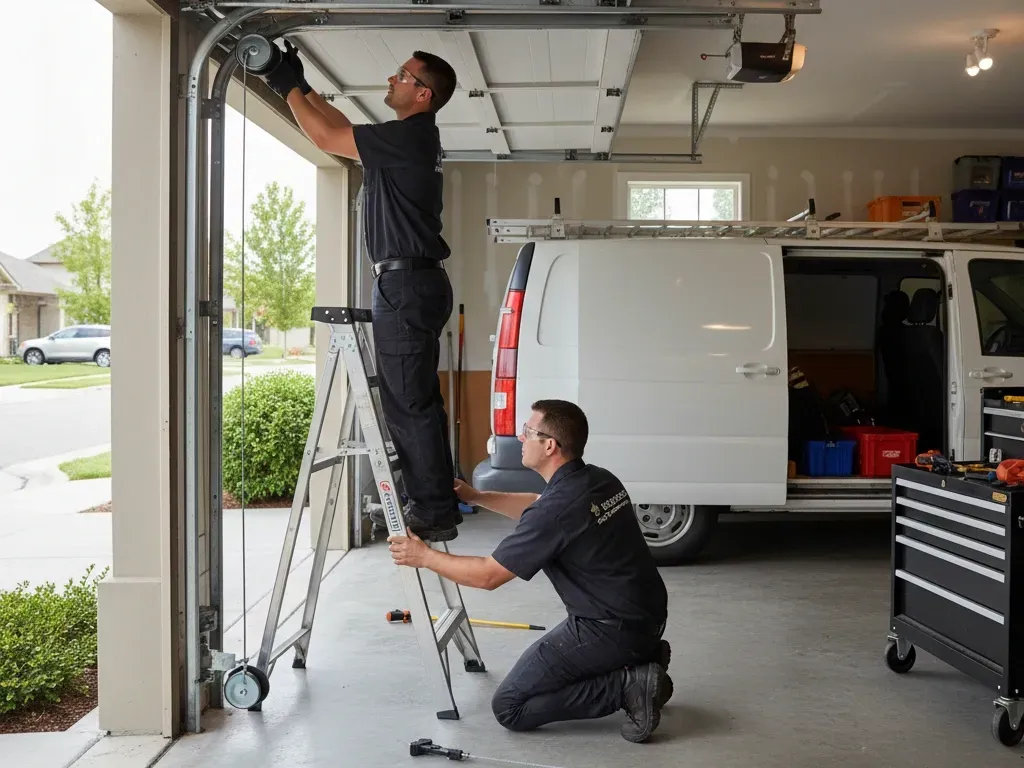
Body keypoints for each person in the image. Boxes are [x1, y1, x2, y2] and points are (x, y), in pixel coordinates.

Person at [260, 42, 463, 542]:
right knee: (420, 400)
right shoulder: (409, 138)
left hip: (405, 283)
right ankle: (439, 497)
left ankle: (434, 510)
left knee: (406, 402)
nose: (391, 79)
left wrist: (284, 85)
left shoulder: (411, 137)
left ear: (422, 93)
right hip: (415, 280)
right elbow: (338, 129)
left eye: (401, 74)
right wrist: (297, 85)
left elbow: (328, 136)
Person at [388, 399, 673, 743]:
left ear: (549, 445)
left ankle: (628, 686)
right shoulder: (597, 479)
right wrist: (478, 497)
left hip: (608, 629)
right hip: (649, 614)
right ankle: (643, 656)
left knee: (510, 707)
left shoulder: (557, 510)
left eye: (527, 432)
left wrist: (423, 556)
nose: (521, 438)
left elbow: (487, 575)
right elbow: (536, 506)